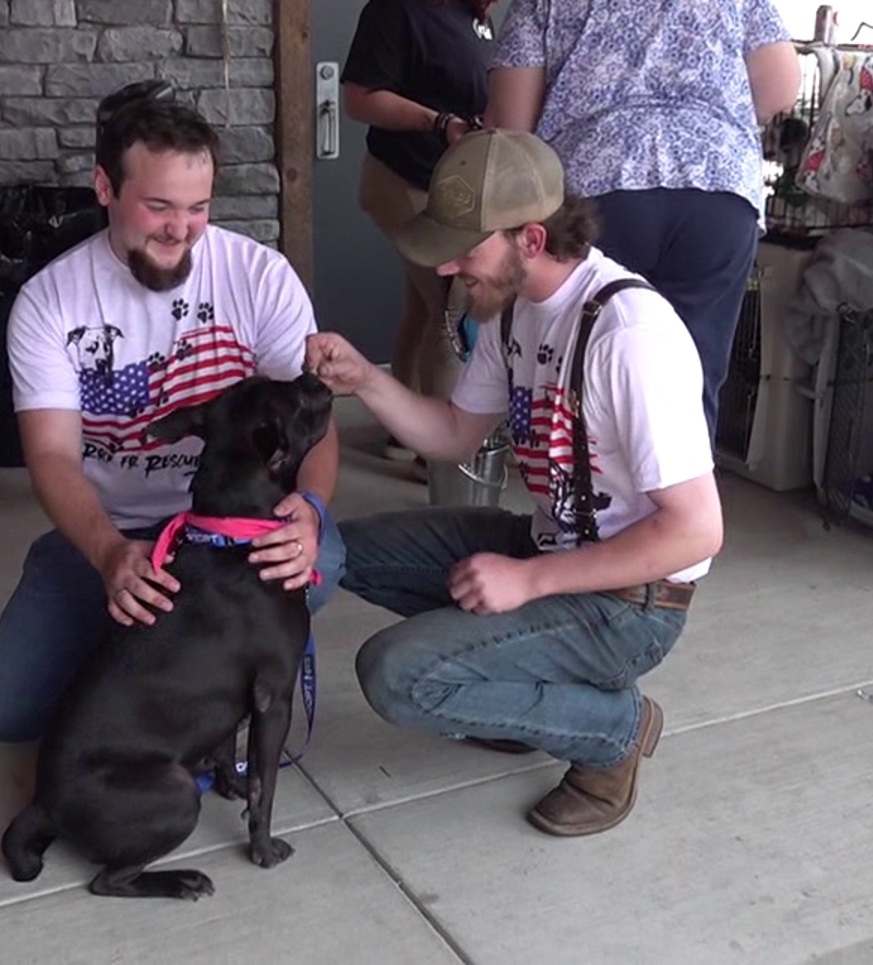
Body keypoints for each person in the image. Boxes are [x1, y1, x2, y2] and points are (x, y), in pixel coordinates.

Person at [307, 130, 723, 837]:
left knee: (394, 673)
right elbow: (453, 435)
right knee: (339, 550)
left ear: (530, 239)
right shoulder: (516, 311)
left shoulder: (628, 335)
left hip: (632, 602)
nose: (446, 267)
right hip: (552, 544)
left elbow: (694, 530)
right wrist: (366, 380)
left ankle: (613, 734)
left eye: (465, 249)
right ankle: (516, 688)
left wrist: (528, 583)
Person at [0, 89, 344, 743]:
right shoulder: (49, 300)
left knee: (321, 568)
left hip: (235, 520)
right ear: (104, 187)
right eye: (159, 207)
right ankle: (142, 624)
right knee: (12, 713)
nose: (180, 228)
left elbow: (314, 421)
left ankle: (216, 651)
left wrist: (311, 510)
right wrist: (105, 550)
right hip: (114, 523)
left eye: (198, 208)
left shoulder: (261, 276)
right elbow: (52, 455)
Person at [484, 0, 802, 438]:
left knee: (590, 375)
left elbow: (510, 124)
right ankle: (687, 518)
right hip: (718, 194)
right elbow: (781, 86)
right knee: (690, 378)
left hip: (597, 195)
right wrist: (704, 118)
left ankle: (594, 518)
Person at [340, 0, 503, 470]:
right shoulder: (396, 7)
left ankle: (398, 427)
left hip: (446, 187)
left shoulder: (471, 15)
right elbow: (360, 98)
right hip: (399, 180)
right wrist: (441, 122)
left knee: (421, 302)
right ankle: (442, 454)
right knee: (452, 307)